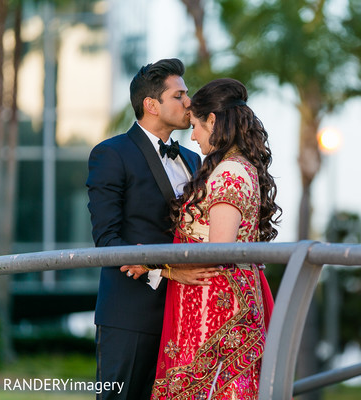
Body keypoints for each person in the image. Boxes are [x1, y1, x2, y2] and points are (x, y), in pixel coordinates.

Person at [123, 78, 281, 399]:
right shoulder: (238, 166)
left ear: (212, 120)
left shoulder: (229, 172)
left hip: (215, 311)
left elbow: (218, 248)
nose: (192, 136)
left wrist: (154, 263)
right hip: (211, 301)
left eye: (195, 125)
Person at [86, 58, 219, 400]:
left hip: (186, 317)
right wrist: (170, 272)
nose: (188, 102)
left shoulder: (194, 161)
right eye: (179, 95)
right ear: (151, 105)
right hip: (130, 314)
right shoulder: (111, 154)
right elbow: (107, 239)